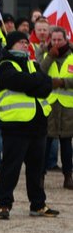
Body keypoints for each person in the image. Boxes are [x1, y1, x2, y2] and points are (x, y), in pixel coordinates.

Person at [0, 31, 60, 220]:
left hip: (37, 125)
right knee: (11, 167)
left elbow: (47, 86)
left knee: (37, 169)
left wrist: (34, 82)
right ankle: (4, 204)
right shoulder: (6, 65)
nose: (25, 45)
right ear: (10, 46)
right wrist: (37, 82)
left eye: (26, 42)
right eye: (20, 42)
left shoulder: (32, 64)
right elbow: (18, 81)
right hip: (15, 126)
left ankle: (38, 204)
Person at [41, 26, 73, 190]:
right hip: (50, 106)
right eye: (53, 40)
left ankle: (68, 177)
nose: (56, 43)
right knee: (45, 143)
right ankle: (40, 177)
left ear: (66, 40)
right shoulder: (46, 55)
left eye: (60, 40)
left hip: (68, 107)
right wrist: (49, 58)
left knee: (67, 144)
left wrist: (63, 83)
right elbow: (39, 74)